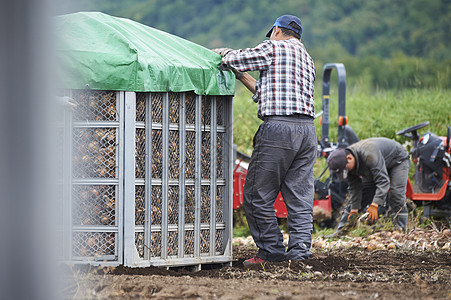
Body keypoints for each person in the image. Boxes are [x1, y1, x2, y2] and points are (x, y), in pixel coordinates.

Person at [213, 15, 317, 265]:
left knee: (257, 195)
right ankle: (300, 253)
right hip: (307, 131)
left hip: (279, 130)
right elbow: (265, 92)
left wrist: (223, 52)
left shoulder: (274, 47)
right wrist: (242, 77)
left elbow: (234, 59)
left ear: (278, 31)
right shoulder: (307, 59)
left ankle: (271, 252)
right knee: (300, 198)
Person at [327, 137, 411, 236]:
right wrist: (354, 210)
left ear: (349, 158)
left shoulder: (369, 155)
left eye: (346, 170)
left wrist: (374, 205)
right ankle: (342, 231)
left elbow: (383, 181)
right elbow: (355, 188)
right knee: (361, 197)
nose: (347, 172)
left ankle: (400, 229)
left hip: (397, 161)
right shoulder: (346, 164)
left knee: (396, 192)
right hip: (374, 167)